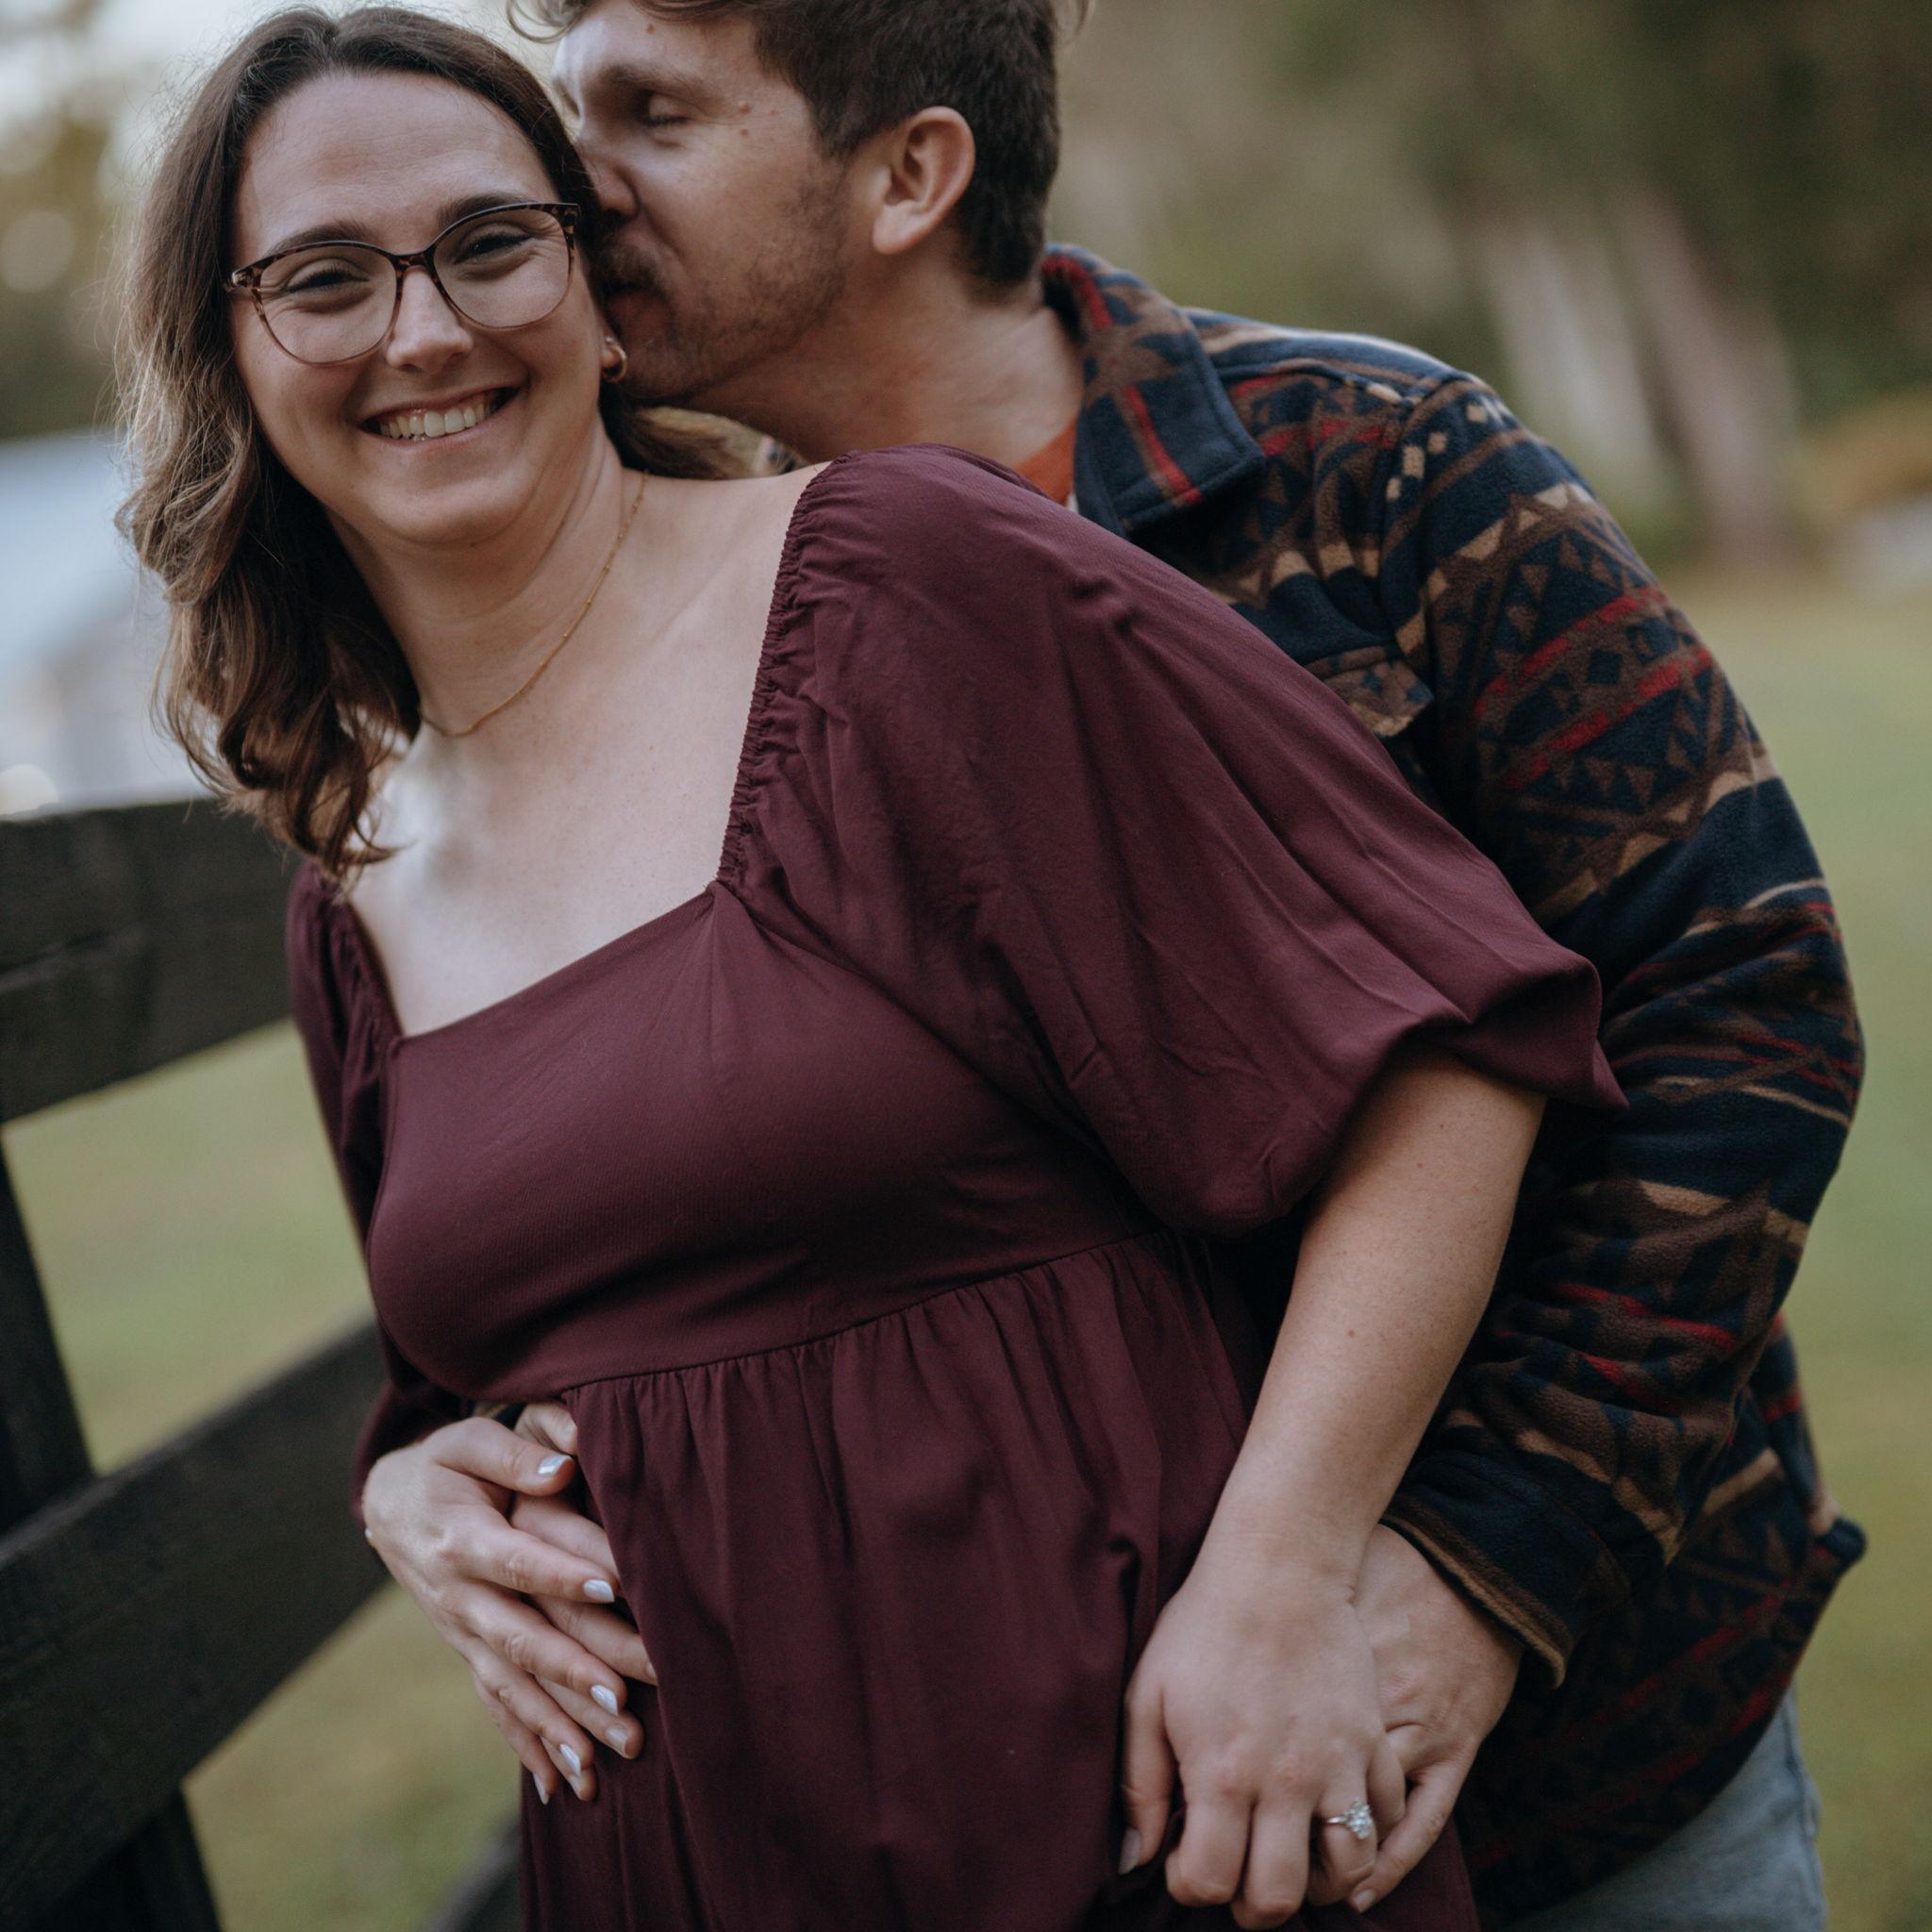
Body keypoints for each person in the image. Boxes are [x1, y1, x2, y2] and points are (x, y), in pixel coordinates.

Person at [115, 8, 1634, 1930]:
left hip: (1133, 1817)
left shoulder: (906, 584)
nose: (422, 331)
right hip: (686, 1867)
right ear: (234, 355)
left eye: (491, 243)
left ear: (594, 292)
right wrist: (407, 1485)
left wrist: (1283, 1573)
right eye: (325, 279)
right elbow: (478, 1359)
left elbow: (1437, 1056)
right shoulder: (352, 883)